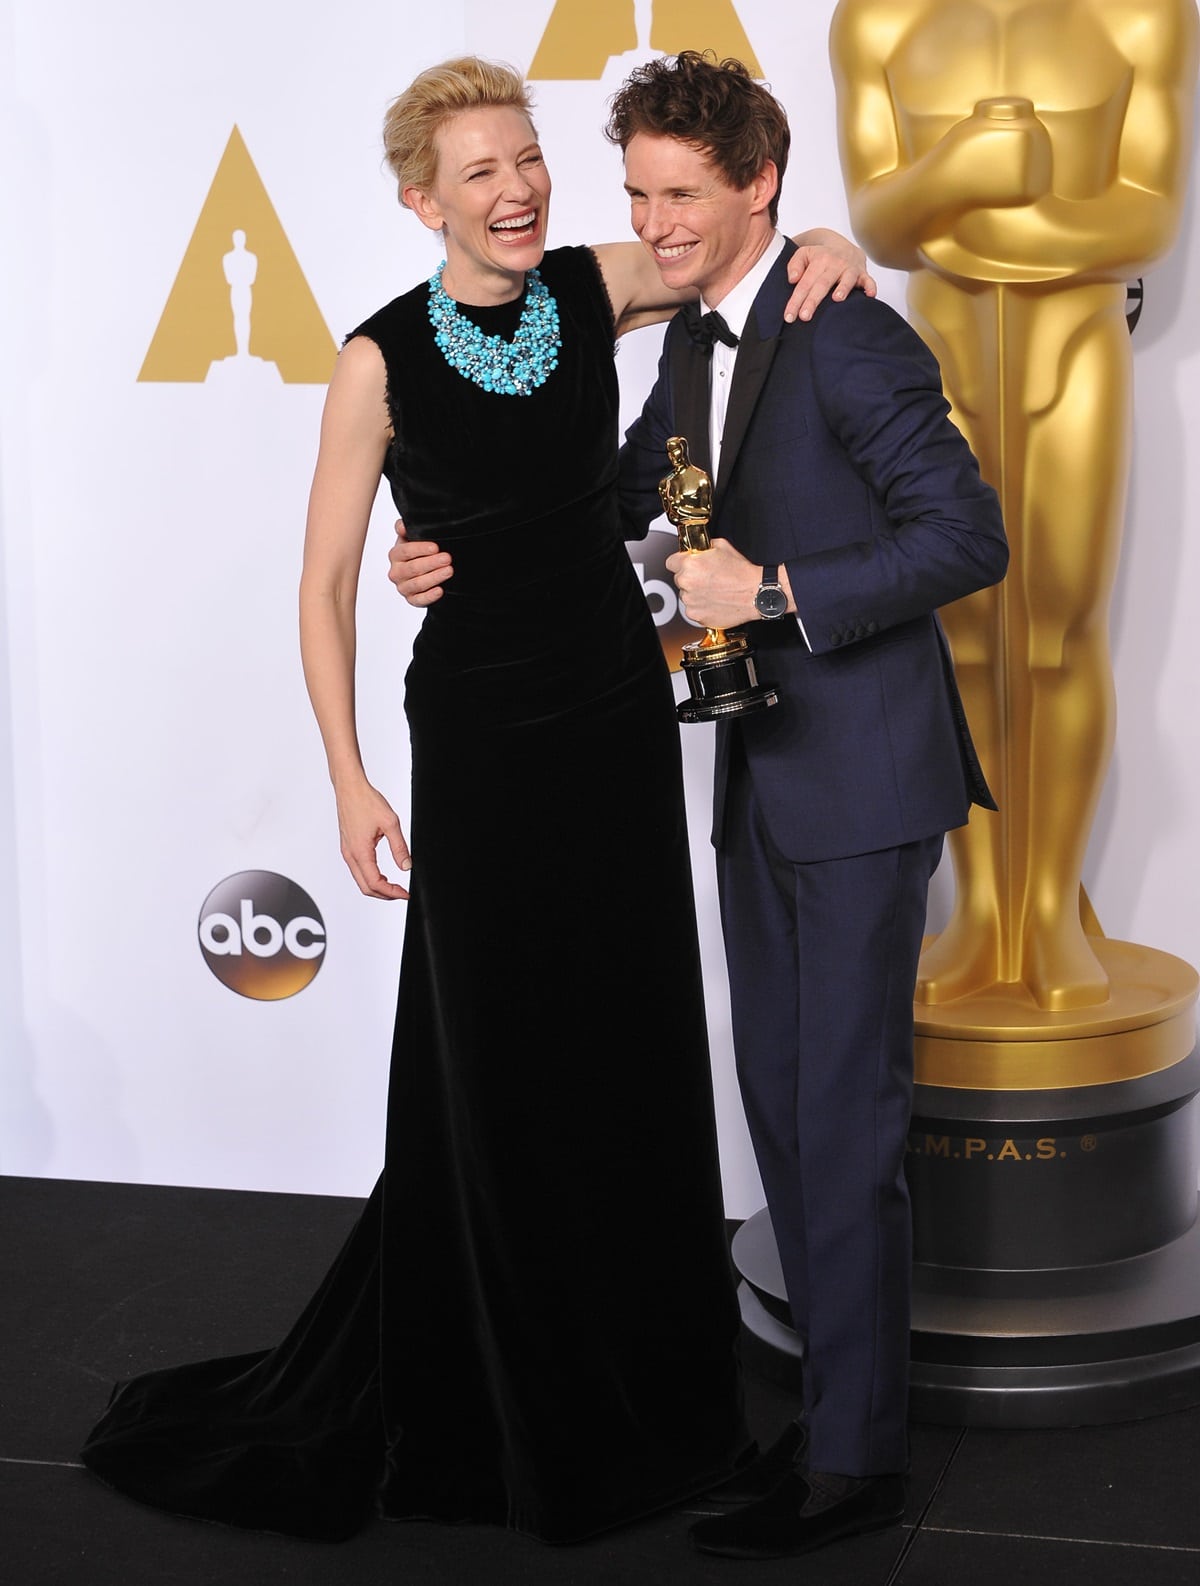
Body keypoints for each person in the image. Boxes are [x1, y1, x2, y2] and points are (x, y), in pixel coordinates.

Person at [79, 57, 871, 1545]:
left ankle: (646, 1387)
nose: (517, 191)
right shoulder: (377, 359)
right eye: (481, 173)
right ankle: (510, 1392)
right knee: (499, 1057)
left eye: (526, 160)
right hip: (486, 736)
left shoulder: (593, 285)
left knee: (628, 1040)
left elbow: (738, 248)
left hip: (616, 718)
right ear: (420, 200)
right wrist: (346, 775)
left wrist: (833, 243)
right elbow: (318, 581)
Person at [609, 53, 1007, 1558]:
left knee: (841, 1121)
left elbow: (967, 536)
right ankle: (827, 1428)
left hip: (861, 783)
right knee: (781, 1113)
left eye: (681, 194)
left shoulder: (844, 331)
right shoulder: (693, 333)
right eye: (638, 192)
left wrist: (767, 591)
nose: (655, 220)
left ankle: (860, 1465)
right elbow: (636, 493)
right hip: (762, 780)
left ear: (760, 184)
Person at [829, 0, 1199, 1013]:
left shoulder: (1142, 17)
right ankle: (981, 912)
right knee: (959, 637)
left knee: (1058, 632)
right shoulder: (878, 23)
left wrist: (977, 217)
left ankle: (1045, 911)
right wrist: (965, 171)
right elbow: (880, 221)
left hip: (1076, 351)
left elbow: (1148, 218)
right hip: (938, 361)